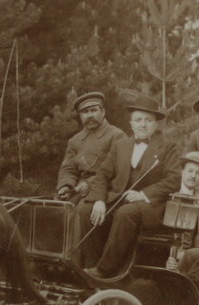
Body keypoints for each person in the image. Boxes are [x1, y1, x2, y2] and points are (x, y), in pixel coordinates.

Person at [77, 94, 181, 279]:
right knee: (86, 209)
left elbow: (173, 180)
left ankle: (105, 270)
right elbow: (102, 175)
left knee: (126, 213)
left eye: (148, 120)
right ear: (131, 124)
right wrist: (100, 200)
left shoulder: (168, 147)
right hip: (117, 200)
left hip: (151, 207)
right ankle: (90, 268)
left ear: (155, 123)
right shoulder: (120, 145)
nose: (143, 124)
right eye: (138, 120)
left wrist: (143, 194)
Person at [57, 91, 126, 203]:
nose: (89, 115)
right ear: (80, 116)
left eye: (93, 110)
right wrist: (65, 186)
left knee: (80, 210)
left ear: (103, 112)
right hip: (78, 189)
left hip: (106, 190)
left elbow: (118, 171)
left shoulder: (117, 135)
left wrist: (89, 184)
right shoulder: (75, 140)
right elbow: (68, 169)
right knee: (56, 207)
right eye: (85, 112)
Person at [165, 151, 199, 271]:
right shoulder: (168, 191)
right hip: (165, 249)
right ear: (182, 171)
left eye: (198, 173)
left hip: (190, 253)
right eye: (190, 171)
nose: (193, 176)